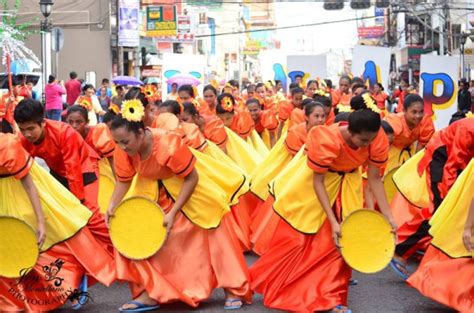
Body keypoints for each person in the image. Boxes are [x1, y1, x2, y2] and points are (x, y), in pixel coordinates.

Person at [250, 94, 396, 313]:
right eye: (363, 141)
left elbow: (374, 178)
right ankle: (279, 286)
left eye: (371, 140)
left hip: (348, 185)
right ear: (350, 131)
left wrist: (388, 216)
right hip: (313, 185)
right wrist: (331, 219)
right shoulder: (326, 138)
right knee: (299, 240)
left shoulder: (376, 138)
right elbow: (317, 181)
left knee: (340, 243)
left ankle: (332, 298)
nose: (367, 144)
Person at [105, 94, 252, 311]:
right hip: (153, 191)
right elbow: (124, 181)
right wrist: (112, 206)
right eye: (117, 142)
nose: (122, 147)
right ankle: (152, 292)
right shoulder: (123, 149)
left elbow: (192, 178)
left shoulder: (166, 142)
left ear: (140, 132)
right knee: (147, 238)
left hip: (190, 187)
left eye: (125, 142)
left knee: (215, 233)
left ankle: (234, 288)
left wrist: (174, 211)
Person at [0, 131, 116, 311]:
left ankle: (73, 281)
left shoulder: (7, 145)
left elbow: (29, 185)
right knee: (9, 248)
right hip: (3, 196)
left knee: (38, 241)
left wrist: (40, 222)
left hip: (25, 192)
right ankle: (16, 300)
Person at [13, 99, 113, 255]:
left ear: (43, 123)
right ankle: (84, 253)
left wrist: (77, 202)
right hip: (58, 172)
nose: (27, 134)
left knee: (90, 216)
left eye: (31, 128)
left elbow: (73, 168)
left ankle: (117, 248)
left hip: (84, 167)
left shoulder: (64, 132)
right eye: (22, 129)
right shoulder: (23, 140)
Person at [390, 116, 474, 278]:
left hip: (456, 164)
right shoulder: (468, 129)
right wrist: (449, 197)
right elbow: (452, 164)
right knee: (439, 211)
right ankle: (400, 250)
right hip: (441, 160)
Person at [250, 101, 327, 255]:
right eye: (316, 116)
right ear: (306, 117)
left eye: (323, 116)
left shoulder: (325, 133)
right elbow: (294, 160)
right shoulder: (296, 132)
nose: (320, 119)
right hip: (291, 173)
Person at [384, 94, 435, 174]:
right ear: (404, 110)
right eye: (414, 112)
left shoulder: (426, 121)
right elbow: (383, 144)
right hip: (391, 152)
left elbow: (421, 147)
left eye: (421, 111)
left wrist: (413, 165)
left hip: (411, 150)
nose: (418, 116)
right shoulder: (394, 121)